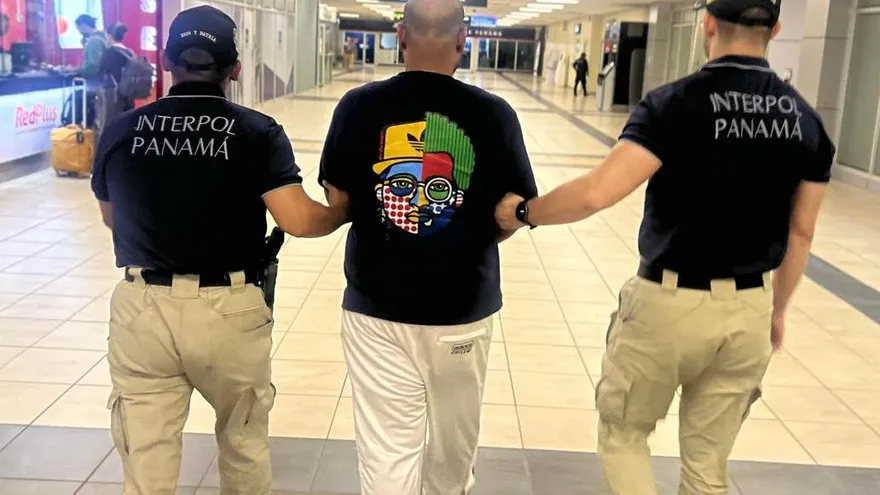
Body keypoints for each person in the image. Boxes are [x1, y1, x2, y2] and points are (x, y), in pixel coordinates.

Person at [496, 0, 835, 493]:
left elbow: (596, 193)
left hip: (668, 306)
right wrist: (776, 309)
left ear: (709, 23)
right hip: (750, 311)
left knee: (624, 433)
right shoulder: (806, 121)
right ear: (775, 29)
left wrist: (524, 212)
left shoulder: (675, 104)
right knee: (707, 465)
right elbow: (802, 232)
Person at [90, 6, 349, 494]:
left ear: (167, 63)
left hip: (143, 309)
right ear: (235, 68)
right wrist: (342, 209)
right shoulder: (256, 132)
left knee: (145, 455)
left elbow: (111, 218)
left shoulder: (122, 131)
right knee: (243, 441)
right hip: (229, 309)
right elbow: (296, 220)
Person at [318, 0, 537, 492]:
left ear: (401, 37)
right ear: (464, 40)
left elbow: (340, 198)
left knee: (386, 455)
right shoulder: (494, 114)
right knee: (452, 454)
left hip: (375, 309)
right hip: (462, 310)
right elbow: (514, 210)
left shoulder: (357, 107)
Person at [99, 22, 136, 112]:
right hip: (128, 95)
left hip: (113, 95)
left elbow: (102, 72)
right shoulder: (130, 52)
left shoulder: (108, 52)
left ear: (109, 36)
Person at [75, 14, 107, 80]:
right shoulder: (103, 38)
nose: (79, 32)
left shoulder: (94, 41)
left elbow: (93, 66)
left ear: (83, 25)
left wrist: (76, 70)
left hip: (95, 83)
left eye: (79, 29)